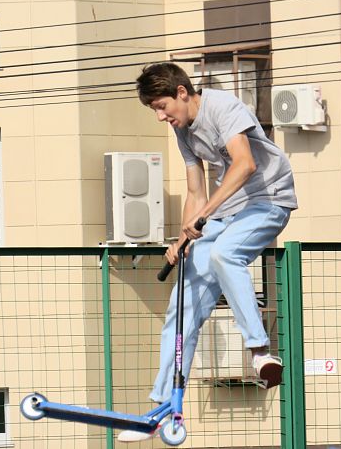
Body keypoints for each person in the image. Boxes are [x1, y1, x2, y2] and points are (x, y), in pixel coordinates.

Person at [118, 62, 298, 442]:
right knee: (181, 306)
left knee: (224, 255)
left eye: (162, 106)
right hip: (224, 212)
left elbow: (245, 164)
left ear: (182, 93)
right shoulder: (183, 130)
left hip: (268, 201)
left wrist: (202, 216)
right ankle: (164, 409)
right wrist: (182, 239)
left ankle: (260, 351)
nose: (160, 116)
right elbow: (196, 192)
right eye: (154, 110)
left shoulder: (222, 107)